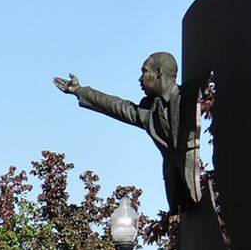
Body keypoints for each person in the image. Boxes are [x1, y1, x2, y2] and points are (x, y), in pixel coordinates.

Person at [53, 52, 200, 213]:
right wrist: (79, 91)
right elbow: (116, 106)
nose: (140, 79)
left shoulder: (189, 95)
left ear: (158, 72)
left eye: (144, 71)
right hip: (177, 194)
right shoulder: (148, 111)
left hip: (197, 188)